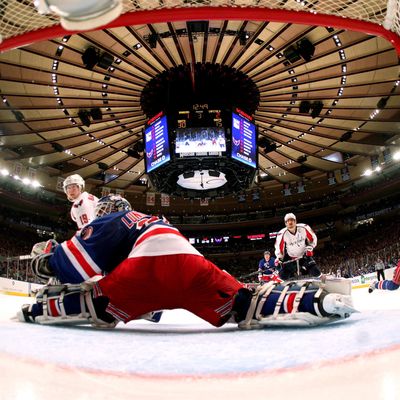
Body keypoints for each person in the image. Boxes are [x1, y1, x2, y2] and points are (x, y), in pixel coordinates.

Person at [18, 195, 356, 329]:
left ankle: (43, 311)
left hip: (143, 269)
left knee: (98, 304)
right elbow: (159, 301)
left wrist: (45, 259)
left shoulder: (107, 221)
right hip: (187, 259)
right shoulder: (150, 217)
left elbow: (66, 266)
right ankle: (314, 301)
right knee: (244, 302)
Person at [274, 213, 320, 281]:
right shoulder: (281, 234)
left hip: (304, 256)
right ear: (285, 223)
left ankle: (305, 272)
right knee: (283, 276)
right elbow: (279, 248)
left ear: (295, 221)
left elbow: (313, 239)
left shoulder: (304, 228)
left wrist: (310, 247)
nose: (290, 222)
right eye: (288, 221)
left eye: (292, 220)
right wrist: (279, 259)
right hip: (290, 257)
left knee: (316, 272)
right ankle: (290, 275)